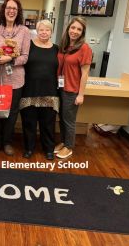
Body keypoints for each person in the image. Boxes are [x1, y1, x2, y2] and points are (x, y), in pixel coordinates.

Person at [0, 0, 30, 156]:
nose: (11, 11)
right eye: (8, 8)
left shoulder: (24, 31)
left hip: (16, 80)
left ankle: (7, 142)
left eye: (14, 9)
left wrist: (10, 59)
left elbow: (25, 56)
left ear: (18, 12)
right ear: (4, 10)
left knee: (11, 113)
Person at [20, 20, 59, 160]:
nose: (44, 32)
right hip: (29, 91)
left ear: (51, 32)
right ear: (37, 30)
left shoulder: (56, 49)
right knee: (29, 123)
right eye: (41, 29)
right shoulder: (28, 46)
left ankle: (48, 149)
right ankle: (29, 148)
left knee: (48, 124)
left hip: (50, 92)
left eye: (47, 30)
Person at [55, 16, 92, 159]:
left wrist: (81, 94)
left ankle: (69, 147)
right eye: (73, 27)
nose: (75, 31)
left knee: (69, 120)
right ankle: (64, 142)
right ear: (68, 28)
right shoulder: (65, 45)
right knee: (62, 118)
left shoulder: (84, 48)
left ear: (82, 32)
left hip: (72, 90)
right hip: (61, 87)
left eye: (79, 29)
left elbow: (85, 73)